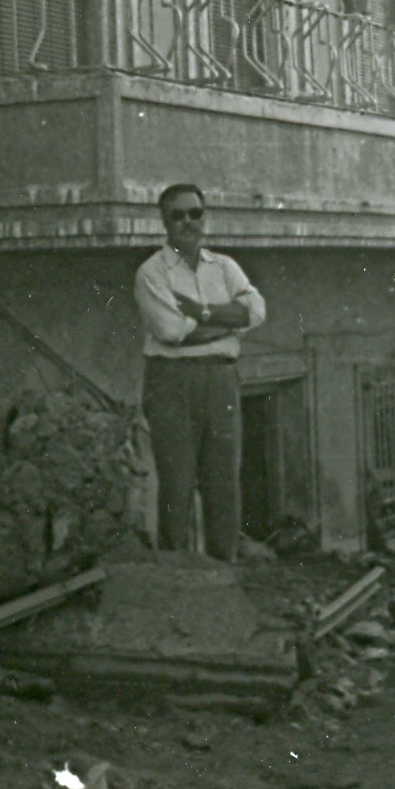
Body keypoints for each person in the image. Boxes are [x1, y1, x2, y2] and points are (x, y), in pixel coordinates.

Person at [133, 183, 266, 561]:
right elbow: (172, 332)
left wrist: (202, 313)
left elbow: (255, 311)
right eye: (178, 215)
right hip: (172, 382)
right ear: (164, 221)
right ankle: (179, 578)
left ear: (204, 217)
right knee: (176, 484)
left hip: (221, 380)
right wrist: (229, 321)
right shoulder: (151, 273)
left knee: (223, 481)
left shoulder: (224, 267)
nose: (188, 222)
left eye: (195, 213)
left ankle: (224, 575)